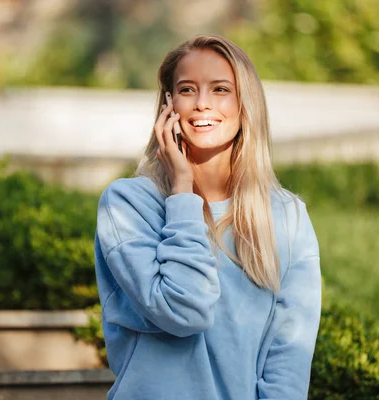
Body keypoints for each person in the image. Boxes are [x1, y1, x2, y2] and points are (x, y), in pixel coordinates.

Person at [94, 34, 321, 400]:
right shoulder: (128, 204)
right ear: (168, 104)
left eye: (220, 90)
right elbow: (183, 312)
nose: (202, 104)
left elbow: (289, 357)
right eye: (187, 89)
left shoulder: (287, 216)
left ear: (245, 103)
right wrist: (182, 192)